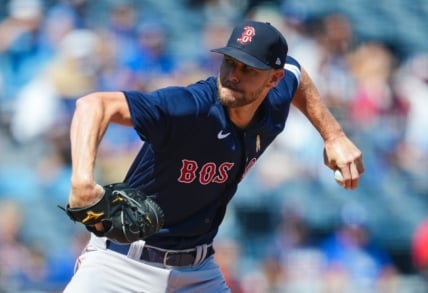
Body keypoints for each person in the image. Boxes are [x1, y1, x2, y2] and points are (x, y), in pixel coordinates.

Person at [64, 20, 364, 292]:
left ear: (273, 79)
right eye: (230, 62)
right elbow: (94, 106)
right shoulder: (190, 107)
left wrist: (333, 135)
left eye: (248, 68)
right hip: (122, 265)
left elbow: (295, 71)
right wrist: (81, 182)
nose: (234, 75)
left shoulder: (275, 101)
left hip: (197, 272)